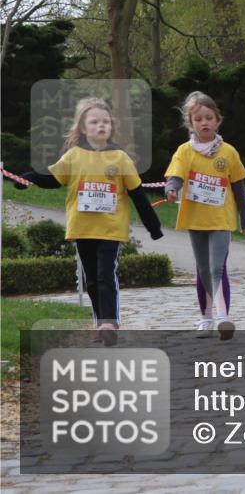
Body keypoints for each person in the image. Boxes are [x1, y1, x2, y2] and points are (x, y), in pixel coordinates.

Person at [15, 97, 163, 346]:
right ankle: (99, 321)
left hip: (110, 229)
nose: (101, 126)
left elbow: (137, 194)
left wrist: (153, 227)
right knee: (92, 280)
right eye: (94, 122)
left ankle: (110, 322)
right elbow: (51, 178)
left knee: (106, 274)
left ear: (112, 126)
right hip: (82, 228)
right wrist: (27, 178)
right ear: (83, 128)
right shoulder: (74, 156)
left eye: (105, 121)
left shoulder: (120, 158)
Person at [164, 91, 245, 340]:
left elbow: (239, 187)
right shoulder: (184, 152)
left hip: (221, 219)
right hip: (195, 219)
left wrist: (244, 219)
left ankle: (223, 318)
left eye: (209, 118)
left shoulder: (229, 152)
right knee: (202, 268)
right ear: (190, 123)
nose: (204, 123)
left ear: (218, 120)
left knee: (216, 267)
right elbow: (175, 176)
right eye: (198, 119)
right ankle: (206, 318)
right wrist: (171, 189)